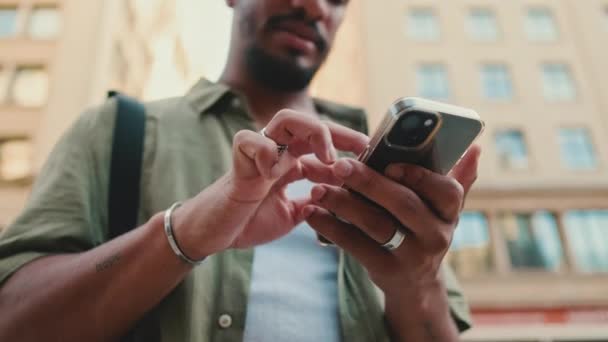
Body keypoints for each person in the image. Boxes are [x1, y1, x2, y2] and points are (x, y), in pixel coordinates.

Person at [0, 0, 480, 341]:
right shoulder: (119, 129)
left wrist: (417, 284)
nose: (314, 7)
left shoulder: (377, 165)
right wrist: (185, 232)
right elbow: (14, 320)